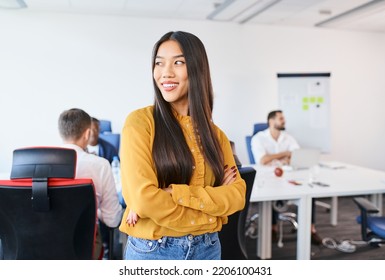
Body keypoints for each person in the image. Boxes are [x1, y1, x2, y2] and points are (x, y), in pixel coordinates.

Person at [118, 31, 246, 260]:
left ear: (197, 70)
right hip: (153, 251)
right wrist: (209, 214)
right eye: (159, 63)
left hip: (207, 249)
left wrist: (175, 192)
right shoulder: (140, 123)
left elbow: (236, 196)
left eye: (178, 62)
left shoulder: (216, 136)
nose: (165, 73)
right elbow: (144, 200)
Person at [58, 108, 123, 259]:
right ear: (87, 133)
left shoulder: (39, 161)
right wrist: (97, 210)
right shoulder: (100, 165)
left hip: (44, 244)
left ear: (61, 133)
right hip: (85, 246)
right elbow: (113, 220)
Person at [251, 110, 323, 245]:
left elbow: (297, 156)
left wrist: (281, 157)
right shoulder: (258, 138)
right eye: (281, 118)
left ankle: (311, 229)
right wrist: (284, 154)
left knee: (309, 191)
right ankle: (273, 228)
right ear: (271, 121)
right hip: (267, 177)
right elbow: (263, 160)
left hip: (287, 174)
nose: (284, 121)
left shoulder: (288, 138)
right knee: (271, 192)